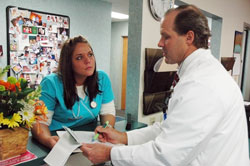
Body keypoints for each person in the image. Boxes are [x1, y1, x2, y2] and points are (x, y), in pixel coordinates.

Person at [80, 5, 249, 165]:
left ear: (189, 37)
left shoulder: (202, 85)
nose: (160, 43)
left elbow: (166, 156)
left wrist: (110, 154)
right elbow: (168, 130)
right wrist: (124, 137)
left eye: (166, 36)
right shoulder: (198, 75)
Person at [31, 35, 116, 149]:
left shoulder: (102, 78)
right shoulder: (50, 83)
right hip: (57, 139)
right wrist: (47, 140)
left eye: (90, 54)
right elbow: (38, 122)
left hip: (90, 138)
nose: (88, 60)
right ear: (68, 63)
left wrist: (107, 128)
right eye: (79, 57)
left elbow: (108, 113)